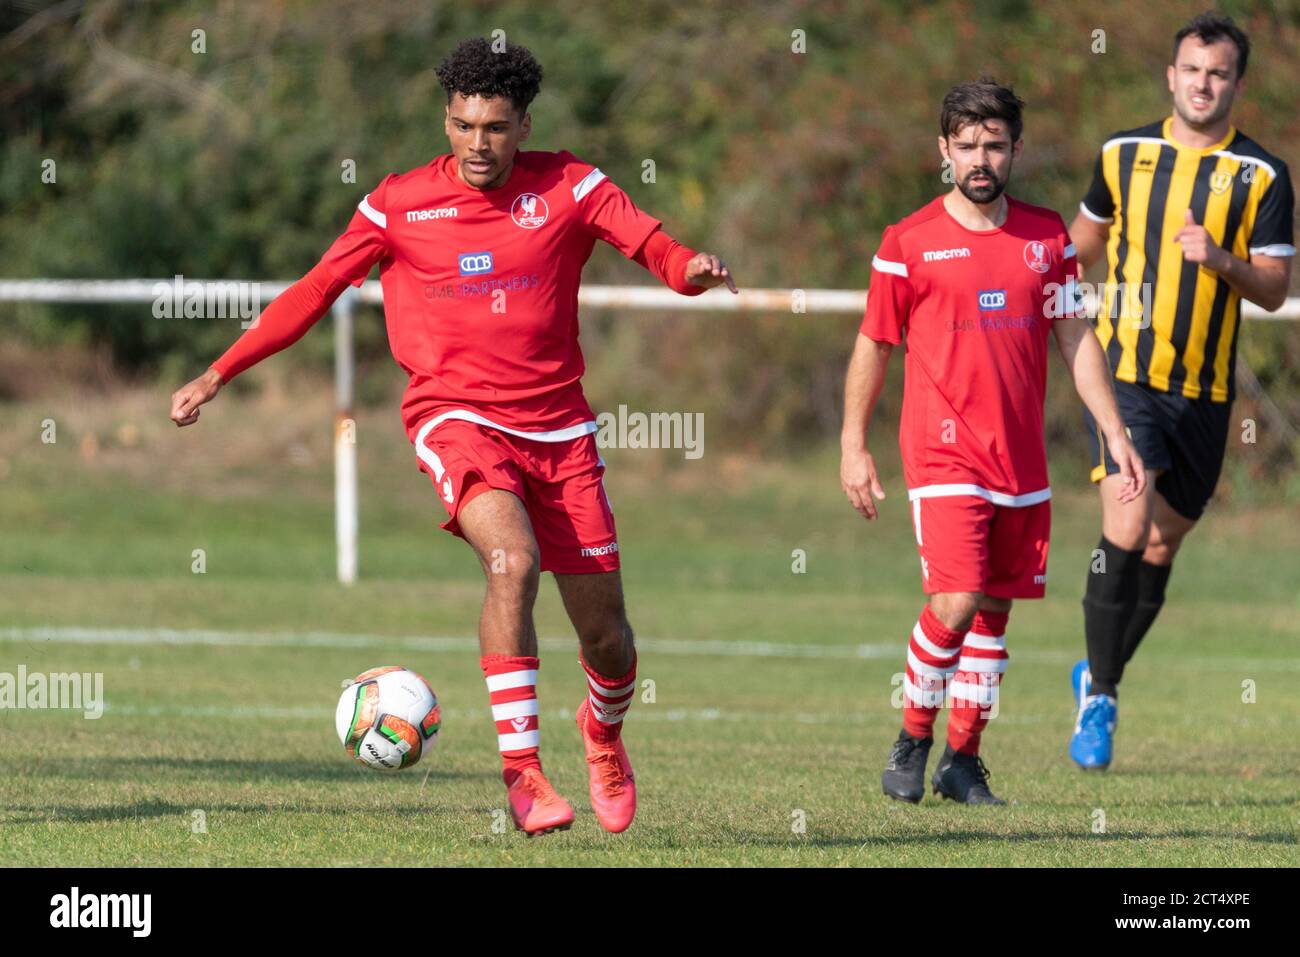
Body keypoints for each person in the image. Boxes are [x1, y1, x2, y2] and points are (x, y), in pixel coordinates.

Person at [169, 37, 738, 835]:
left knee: (608, 639)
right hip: (456, 416)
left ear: (523, 124)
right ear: (447, 119)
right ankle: (524, 773)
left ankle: (602, 734)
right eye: (465, 125)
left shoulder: (572, 184)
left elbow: (652, 243)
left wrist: (691, 271)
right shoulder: (398, 204)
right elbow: (314, 289)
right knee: (512, 561)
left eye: (497, 128)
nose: (479, 143)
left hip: (562, 431)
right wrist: (217, 372)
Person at [841, 79, 1144, 805]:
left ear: (1015, 149)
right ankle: (913, 737)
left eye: (996, 145)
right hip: (942, 455)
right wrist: (853, 443)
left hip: (1021, 459)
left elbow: (1075, 336)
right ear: (943, 150)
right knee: (958, 596)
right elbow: (875, 345)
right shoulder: (907, 242)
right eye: (968, 145)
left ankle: (962, 759)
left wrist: (1115, 431)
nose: (982, 158)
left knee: (995, 610)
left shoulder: (1047, 240)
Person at [1067, 11, 1294, 770]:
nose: (1203, 84)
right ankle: (1100, 699)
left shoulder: (1263, 175)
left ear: (1237, 83)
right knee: (1126, 528)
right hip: (1126, 375)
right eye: (1192, 70)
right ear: (1171, 76)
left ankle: (1097, 674)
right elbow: (1079, 248)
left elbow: (1272, 287)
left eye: (1219, 73)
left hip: (1204, 393)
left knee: (1164, 542)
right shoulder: (1123, 153)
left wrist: (1221, 259)